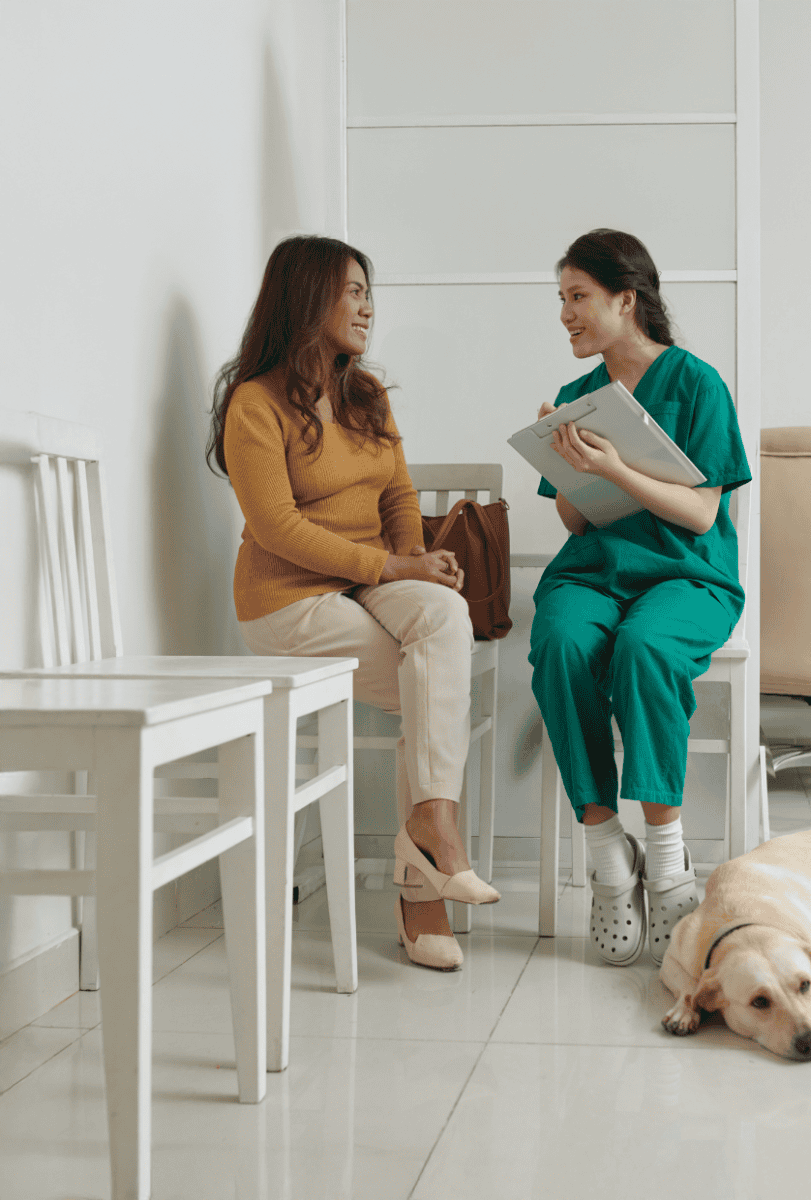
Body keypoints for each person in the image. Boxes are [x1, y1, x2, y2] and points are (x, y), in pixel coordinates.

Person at [207, 234, 499, 973]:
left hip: (367, 585)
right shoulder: (256, 403)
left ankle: (430, 828)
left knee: (443, 620)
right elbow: (278, 527)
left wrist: (415, 571)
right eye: (354, 291)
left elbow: (398, 493)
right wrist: (390, 562)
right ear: (307, 298)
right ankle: (424, 884)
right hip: (287, 602)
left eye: (371, 291)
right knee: (427, 677)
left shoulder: (364, 395)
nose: (369, 306)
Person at [529, 229, 751, 967]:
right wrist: (568, 469)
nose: (566, 314)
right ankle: (606, 857)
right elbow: (572, 519)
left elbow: (697, 514)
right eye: (561, 299)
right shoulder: (575, 399)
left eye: (579, 297)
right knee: (560, 640)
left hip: (687, 573)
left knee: (645, 647)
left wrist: (619, 468)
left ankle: (668, 862)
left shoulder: (697, 384)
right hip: (595, 571)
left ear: (626, 300)